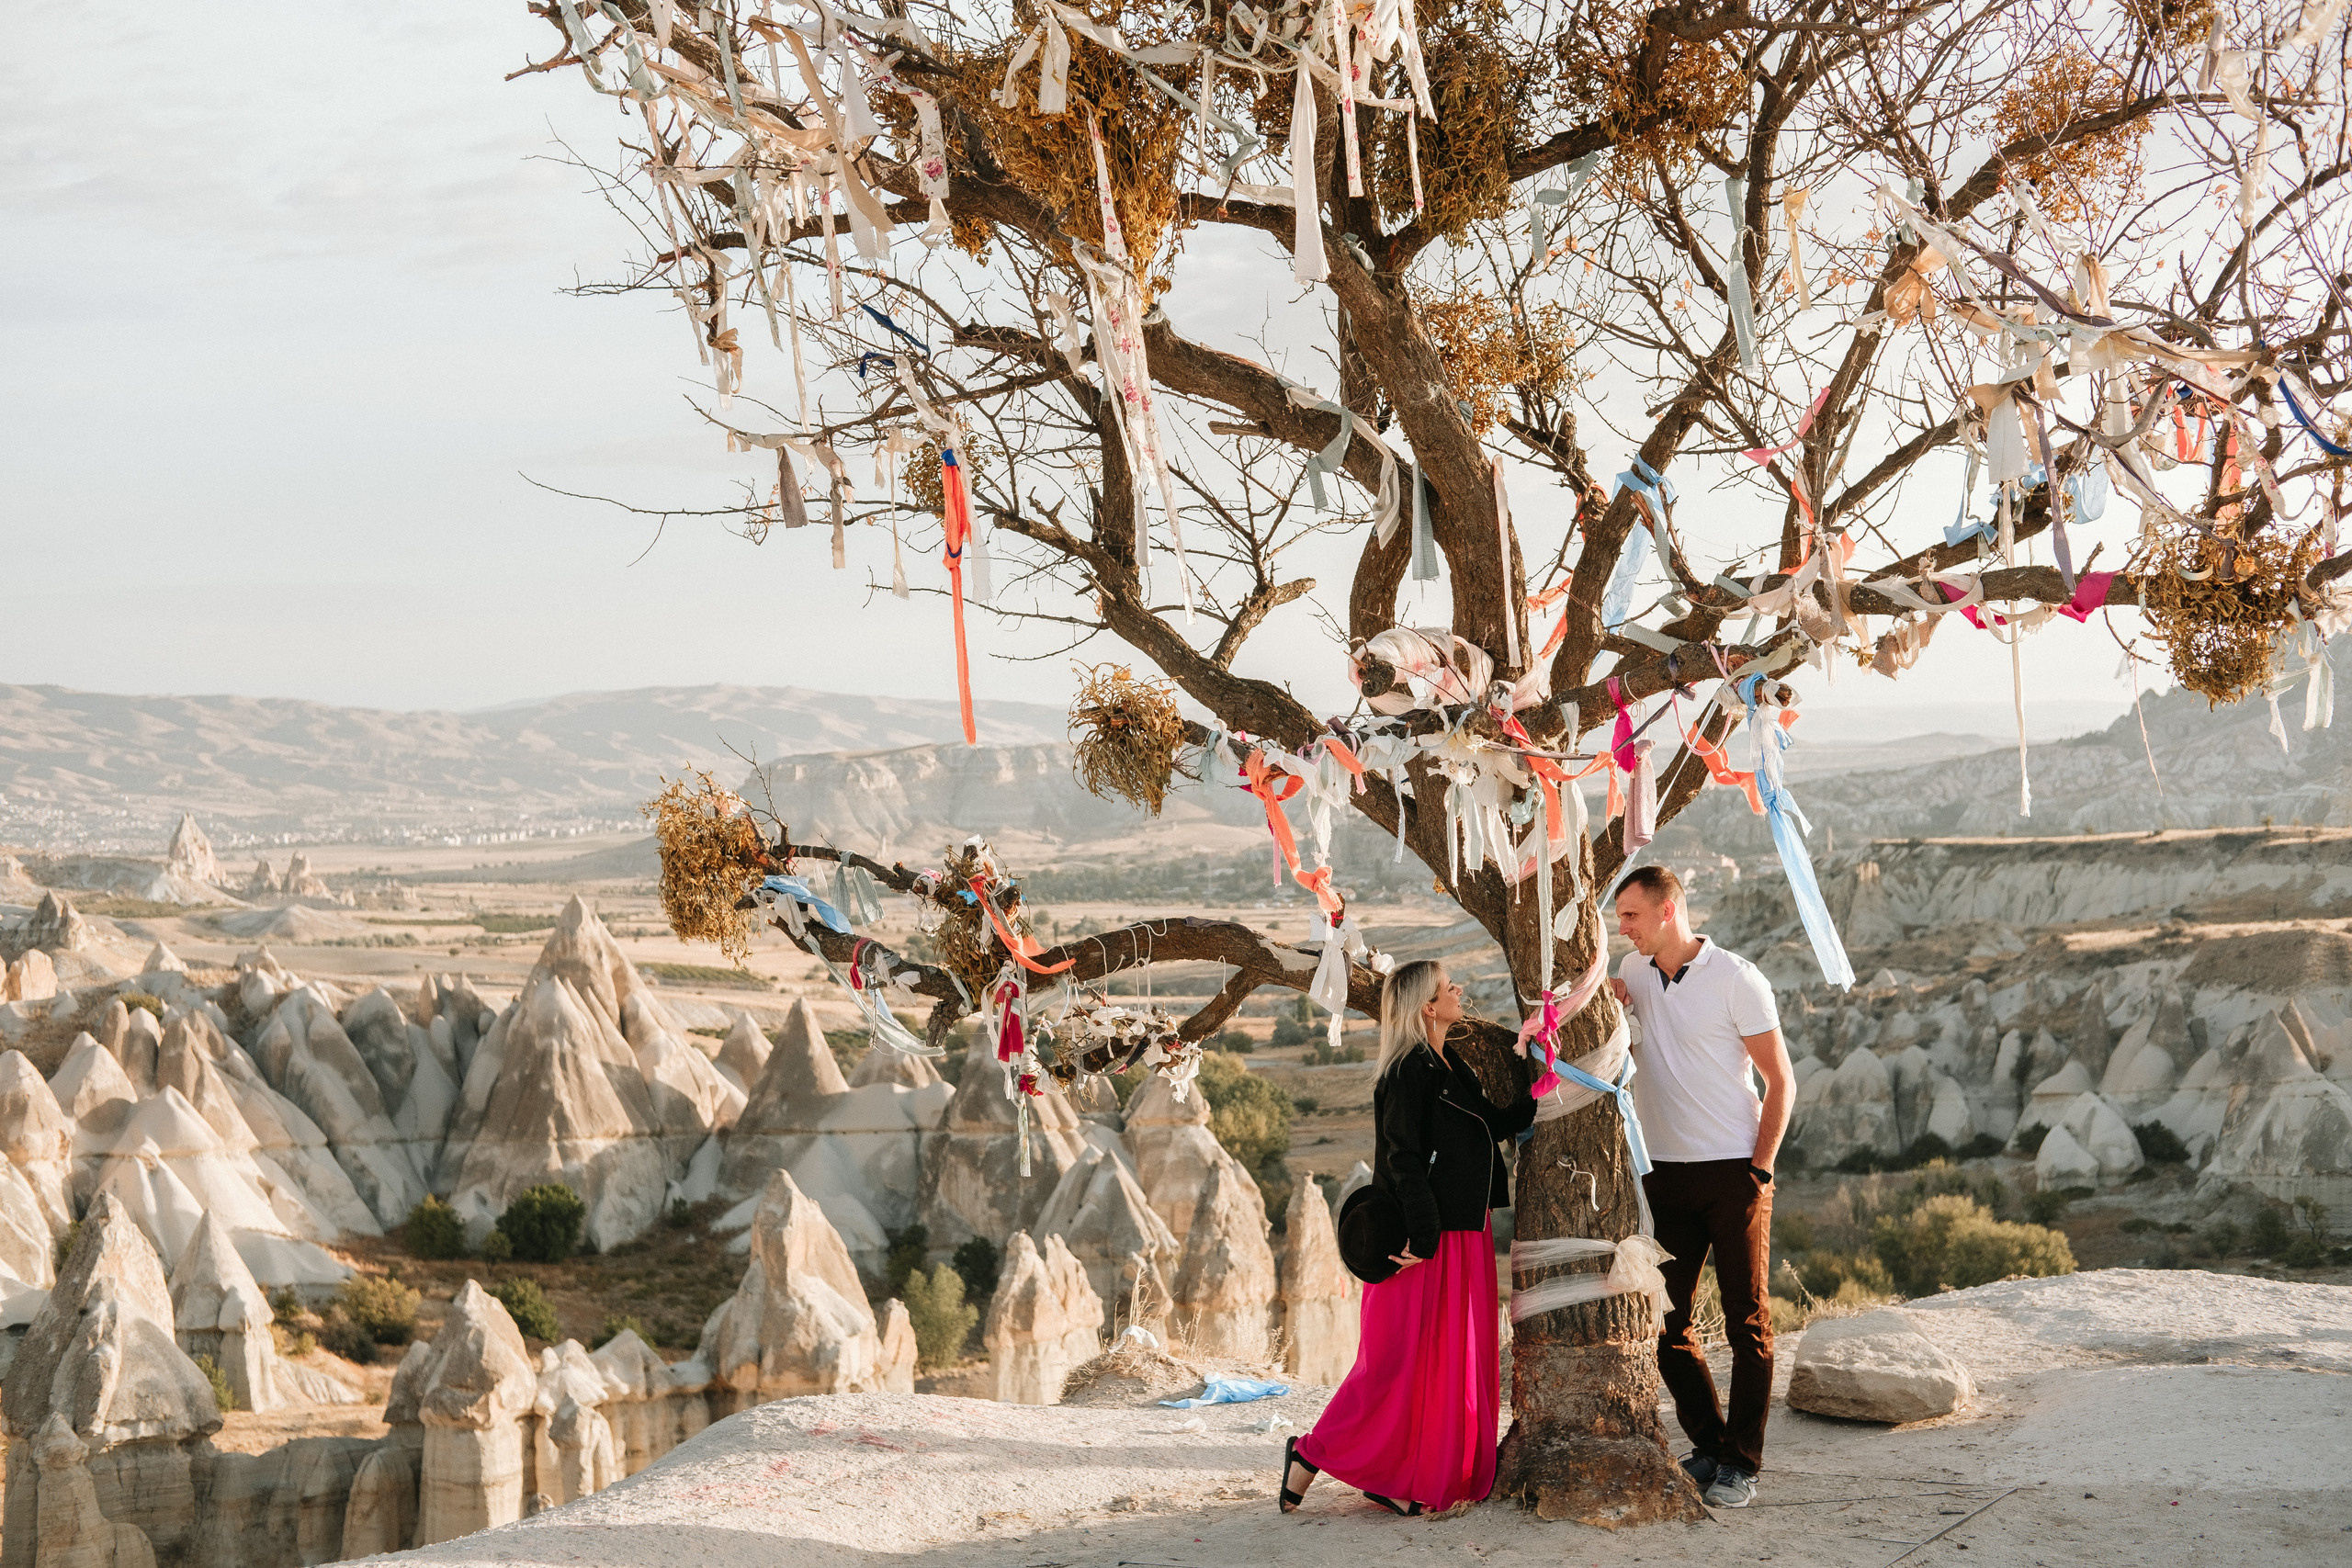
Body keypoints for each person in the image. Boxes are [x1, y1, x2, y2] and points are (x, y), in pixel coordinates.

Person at [1279, 961, 1537, 1517]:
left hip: (1464, 1230)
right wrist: (1423, 1238)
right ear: (1426, 1006)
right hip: (1425, 1238)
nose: (1458, 991)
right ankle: (1309, 1453)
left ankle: (1398, 1479)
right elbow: (1404, 1159)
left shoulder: (1449, 1061)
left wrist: (1536, 1070)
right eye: (1448, 988)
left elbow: (1493, 1123)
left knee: (1442, 1364)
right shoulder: (1406, 1072)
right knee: (1396, 1363)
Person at [1609, 864, 1793, 1510]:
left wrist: (1761, 1167)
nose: (1622, 928)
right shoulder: (1633, 973)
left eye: (1630, 915)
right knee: (1665, 1319)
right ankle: (1711, 1443)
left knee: (1748, 1320)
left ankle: (1743, 1462)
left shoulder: (1737, 978)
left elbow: (1780, 1079)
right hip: (1662, 1172)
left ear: (1667, 910)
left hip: (1732, 1170)